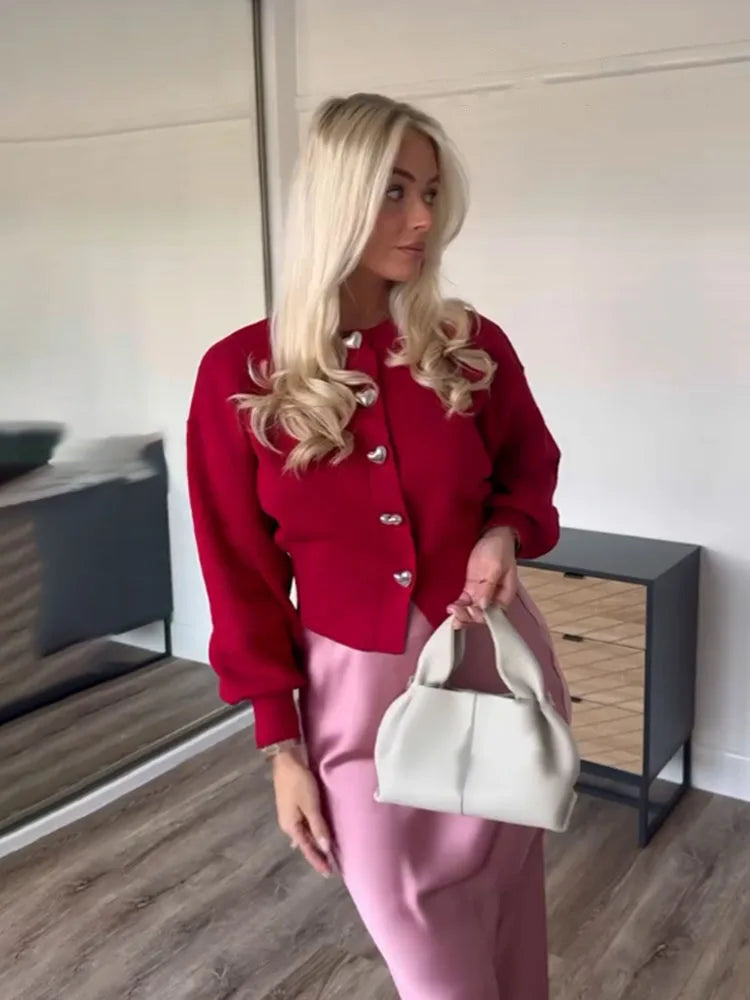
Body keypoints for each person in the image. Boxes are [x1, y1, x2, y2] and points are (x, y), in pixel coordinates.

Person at [187, 92, 572, 1000]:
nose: (424, 218)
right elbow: (238, 577)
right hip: (353, 705)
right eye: (395, 191)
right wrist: (282, 750)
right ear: (338, 198)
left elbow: (530, 469)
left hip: (493, 660)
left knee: (511, 924)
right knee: (431, 959)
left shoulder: (469, 347)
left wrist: (503, 532)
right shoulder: (241, 375)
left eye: (431, 191)